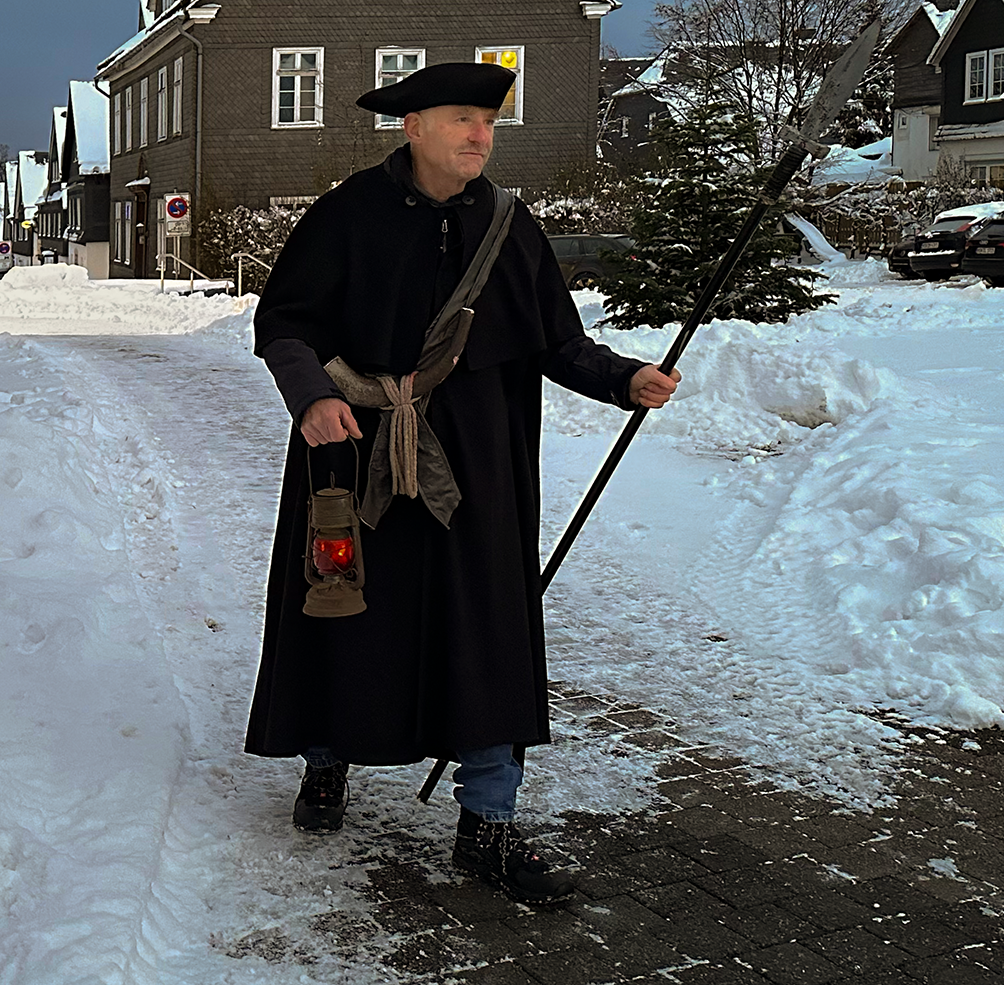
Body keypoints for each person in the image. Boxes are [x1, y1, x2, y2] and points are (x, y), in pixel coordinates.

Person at [246, 62, 679, 906]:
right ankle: (328, 758)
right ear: (411, 126)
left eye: (488, 119)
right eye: (462, 118)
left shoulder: (510, 227)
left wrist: (623, 378)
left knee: (486, 630)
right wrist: (313, 395)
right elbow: (285, 321)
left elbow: (558, 340)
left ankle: (488, 820)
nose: (480, 134)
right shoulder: (345, 215)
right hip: (357, 448)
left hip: (478, 466)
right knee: (342, 605)